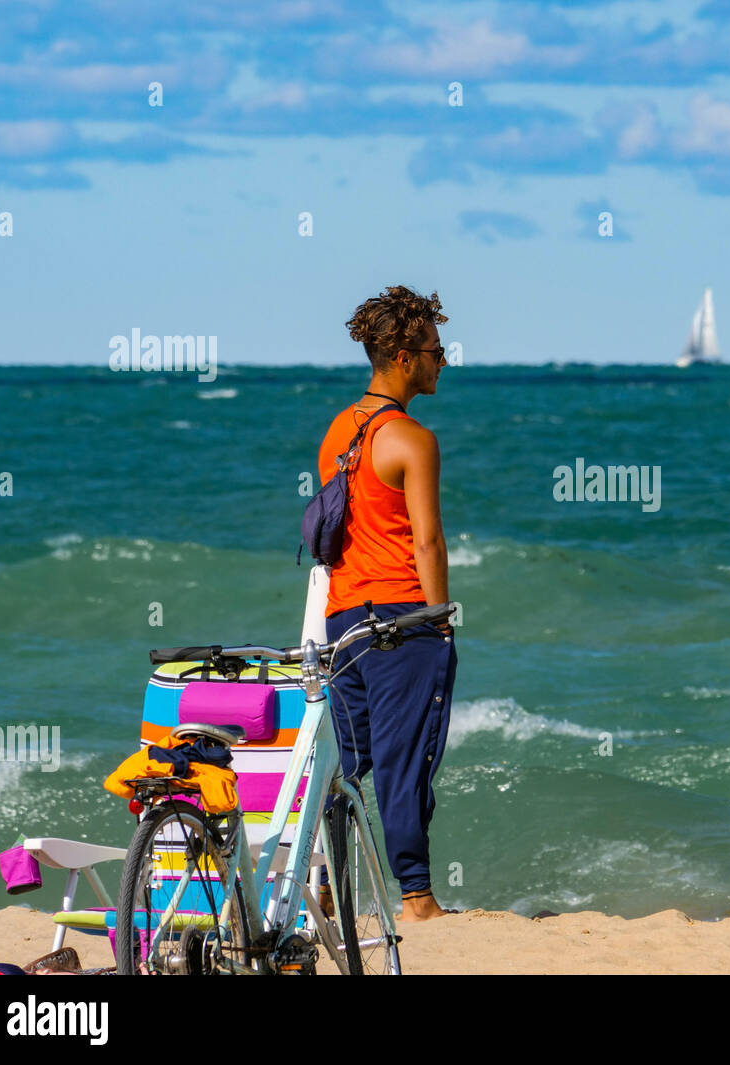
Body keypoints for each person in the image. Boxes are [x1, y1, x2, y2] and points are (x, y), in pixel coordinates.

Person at [317, 285, 458, 923]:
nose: (443, 361)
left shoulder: (337, 432)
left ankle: (322, 887)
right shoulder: (412, 439)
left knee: (350, 766)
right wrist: (442, 622)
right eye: (434, 349)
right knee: (406, 762)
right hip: (403, 620)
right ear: (402, 356)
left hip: (343, 620)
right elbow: (426, 541)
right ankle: (418, 898)